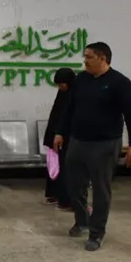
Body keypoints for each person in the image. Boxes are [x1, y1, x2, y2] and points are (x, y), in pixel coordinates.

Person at [53, 42, 131, 251]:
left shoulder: (120, 83)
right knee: (74, 184)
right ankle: (82, 220)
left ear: (103, 58)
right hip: (78, 141)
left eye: (89, 57)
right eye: (85, 56)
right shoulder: (81, 79)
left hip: (105, 144)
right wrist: (60, 131)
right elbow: (70, 108)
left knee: (101, 190)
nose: (85, 61)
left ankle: (96, 232)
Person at [43, 68, 76, 210]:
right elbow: (56, 114)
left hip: (67, 137)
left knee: (65, 168)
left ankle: (65, 199)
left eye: (62, 84)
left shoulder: (74, 94)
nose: (60, 87)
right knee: (55, 167)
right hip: (56, 135)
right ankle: (55, 195)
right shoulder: (63, 94)